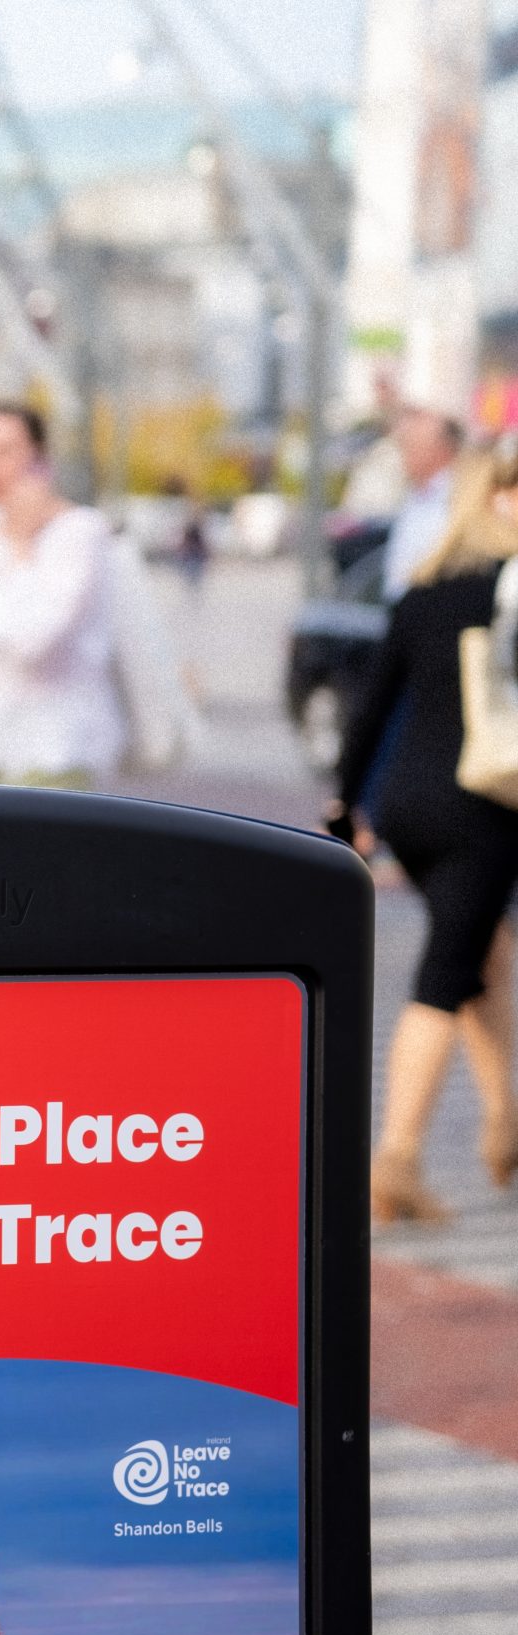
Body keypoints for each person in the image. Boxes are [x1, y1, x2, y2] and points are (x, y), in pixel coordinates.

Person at [334, 443, 518, 1222]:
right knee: (445, 973)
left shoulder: (421, 591)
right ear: (498, 499)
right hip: (482, 801)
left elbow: (369, 711)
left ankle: (506, 1119)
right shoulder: (507, 592)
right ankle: (398, 1156)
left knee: (485, 949)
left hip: (409, 803)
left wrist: (345, 807)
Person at [0, 402, 125, 788]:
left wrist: (23, 546)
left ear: (39, 459)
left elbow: (32, 640)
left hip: (54, 749)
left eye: (4, 451)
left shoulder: (79, 532)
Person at [382, 407, 464, 602]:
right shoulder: (416, 492)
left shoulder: (458, 495)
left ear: (440, 449)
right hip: (403, 608)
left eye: (411, 446)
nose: (404, 454)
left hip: (431, 609)